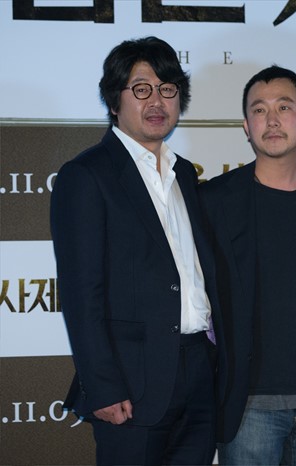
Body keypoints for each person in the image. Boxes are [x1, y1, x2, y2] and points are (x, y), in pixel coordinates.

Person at [50, 36, 221, 465]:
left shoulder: (184, 174)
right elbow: (80, 292)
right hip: (130, 383)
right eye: (141, 89)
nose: (157, 101)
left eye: (168, 88)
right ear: (114, 101)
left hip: (200, 371)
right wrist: (103, 386)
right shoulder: (86, 175)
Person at [198, 65, 296, 465]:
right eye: (259, 110)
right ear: (246, 127)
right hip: (248, 404)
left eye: (284, 107)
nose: (272, 119)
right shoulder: (213, 201)